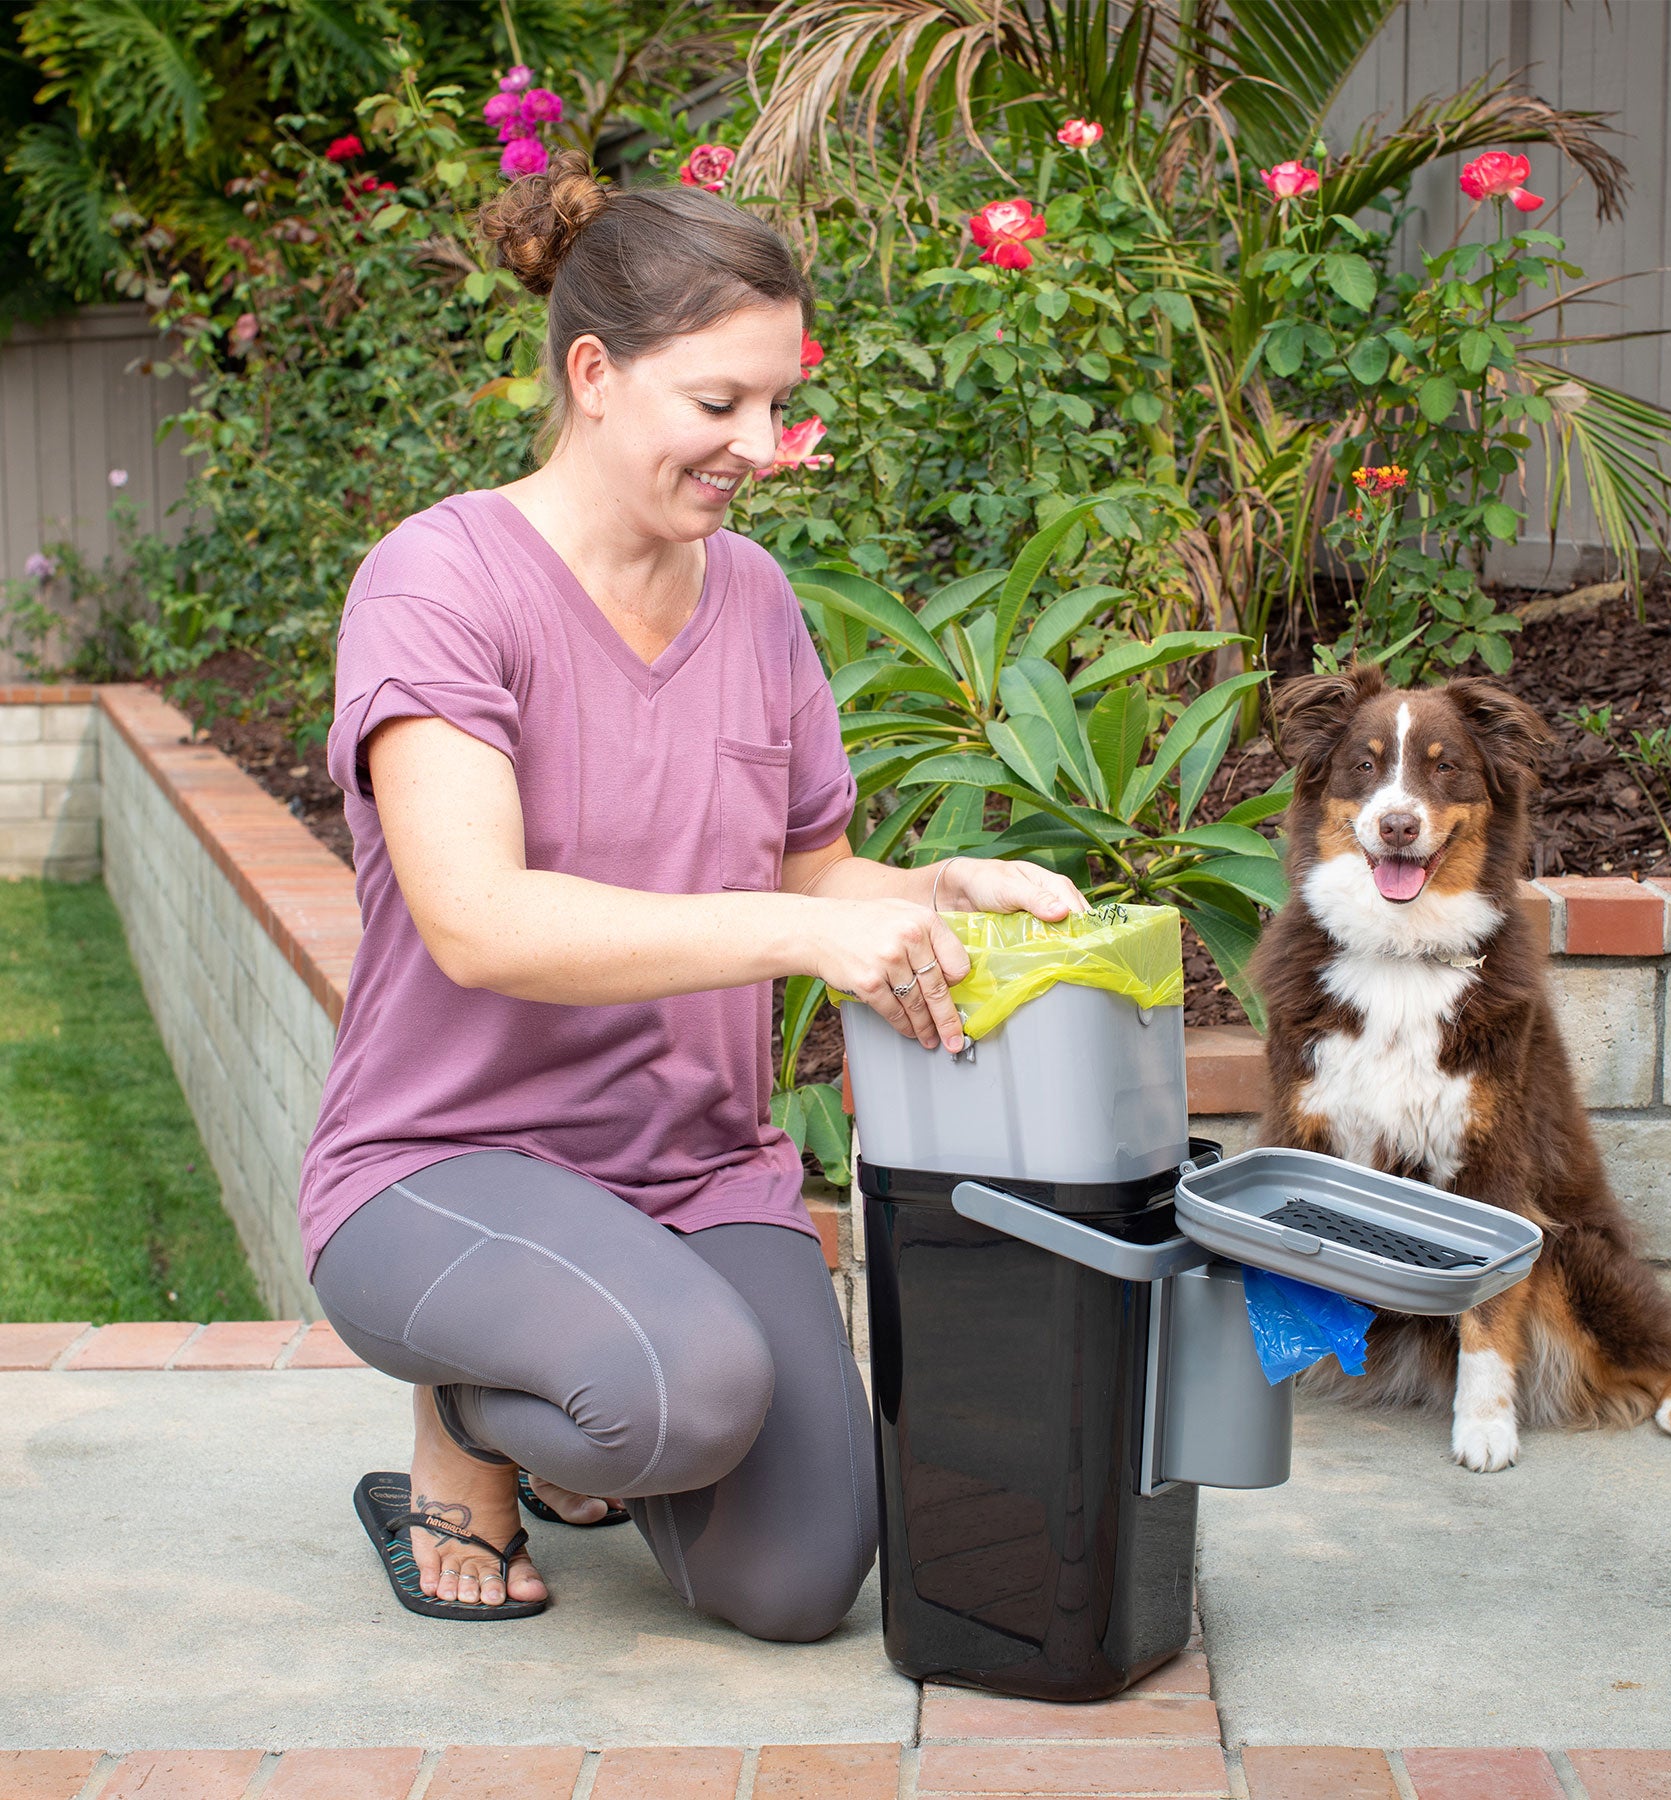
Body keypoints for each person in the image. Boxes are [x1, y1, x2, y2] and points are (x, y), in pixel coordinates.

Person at [297, 150, 1086, 1638]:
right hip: (443, 1165)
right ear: (593, 375)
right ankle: (468, 1425)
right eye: (719, 405)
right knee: (686, 1397)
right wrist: (809, 932)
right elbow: (479, 918)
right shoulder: (437, 584)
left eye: (779, 403)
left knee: (797, 1583)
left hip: (692, 1170)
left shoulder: (758, 601)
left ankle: (604, 1391)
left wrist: (935, 882)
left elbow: (809, 875)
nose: (761, 445)